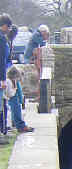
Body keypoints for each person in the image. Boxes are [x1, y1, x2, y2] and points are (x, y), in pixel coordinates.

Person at [5, 66, 34, 133]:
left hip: (10, 98)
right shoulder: (8, 82)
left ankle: (18, 124)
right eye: (18, 77)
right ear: (15, 76)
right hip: (9, 97)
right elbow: (10, 94)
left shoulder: (13, 81)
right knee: (15, 107)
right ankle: (20, 126)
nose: (19, 79)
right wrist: (15, 90)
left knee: (16, 107)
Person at [0, 14, 12, 145]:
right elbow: (1, 60)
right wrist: (3, 80)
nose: (9, 30)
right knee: (1, 106)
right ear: (4, 26)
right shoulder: (1, 39)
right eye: (8, 28)